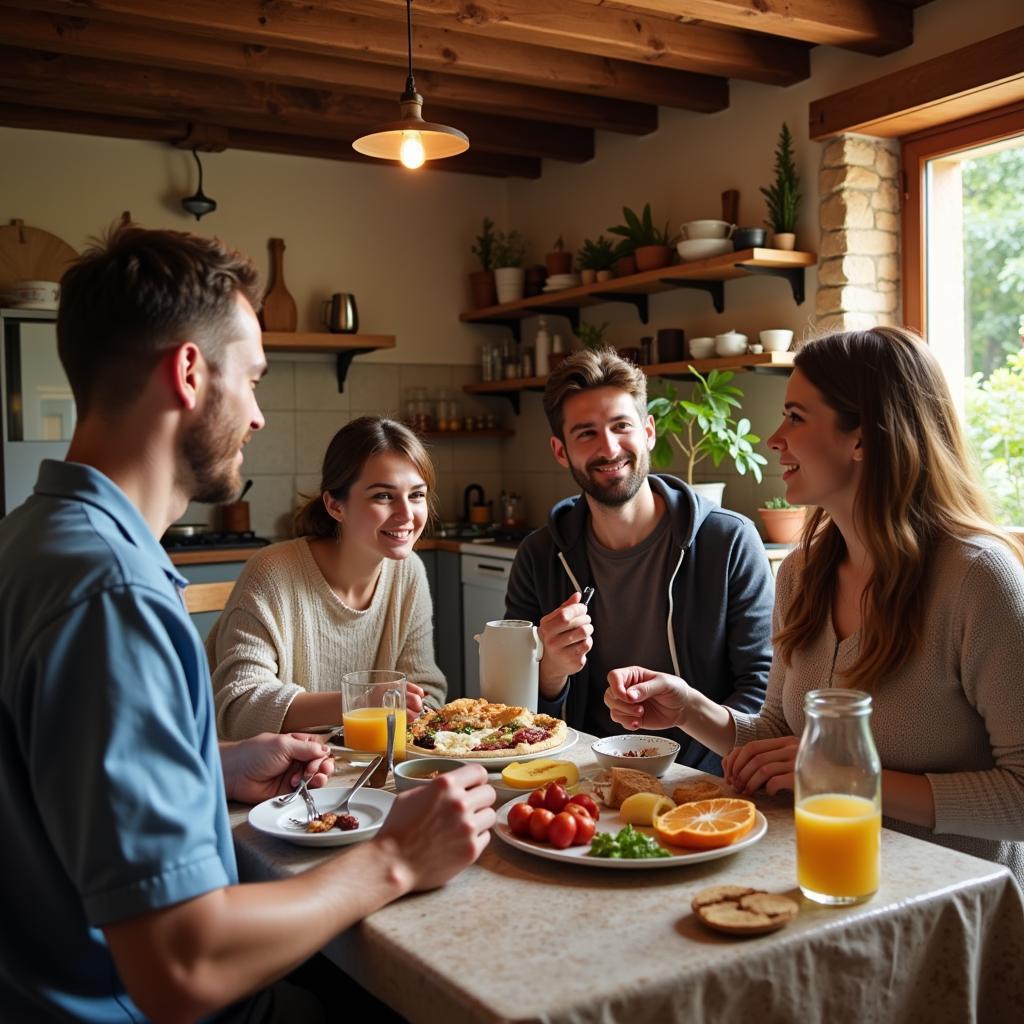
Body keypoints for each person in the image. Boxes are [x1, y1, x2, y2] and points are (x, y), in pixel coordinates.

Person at [0, 224, 496, 1022]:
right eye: (254, 379)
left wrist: (212, 763)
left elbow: (55, 782)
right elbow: (182, 965)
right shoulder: (113, 593)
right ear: (190, 373)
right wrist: (394, 857)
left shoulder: (33, 539)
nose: (260, 415)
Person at [604, 327, 1024, 882]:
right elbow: (783, 736)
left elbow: (1019, 798)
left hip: (946, 905)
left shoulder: (978, 580)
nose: (775, 438)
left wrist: (843, 778)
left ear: (863, 437)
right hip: (821, 879)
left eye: (796, 417)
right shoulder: (803, 572)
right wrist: (688, 709)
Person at [505, 347, 773, 773]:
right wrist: (550, 671)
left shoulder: (730, 541)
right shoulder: (539, 556)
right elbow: (512, 713)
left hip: (708, 776)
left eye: (621, 426)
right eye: (586, 433)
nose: (609, 448)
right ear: (561, 451)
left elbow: (762, 692)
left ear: (648, 431)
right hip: (584, 774)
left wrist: (690, 766)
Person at [209, 416, 445, 740]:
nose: (407, 514)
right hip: (260, 780)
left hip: (360, 767)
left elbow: (426, 692)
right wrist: (358, 701)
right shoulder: (270, 573)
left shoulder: (409, 572)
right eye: (383, 496)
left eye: (416, 495)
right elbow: (239, 709)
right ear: (335, 505)